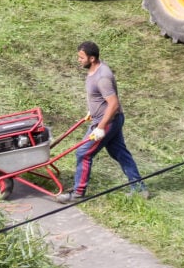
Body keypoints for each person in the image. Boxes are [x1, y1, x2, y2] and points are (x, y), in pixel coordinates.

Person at [56, 41, 149, 202]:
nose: (78, 60)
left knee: (83, 153)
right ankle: (139, 189)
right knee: (120, 153)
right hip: (105, 118)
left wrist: (100, 127)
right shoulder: (94, 70)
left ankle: (78, 193)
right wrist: (92, 111)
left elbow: (113, 104)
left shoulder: (102, 77)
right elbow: (101, 99)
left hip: (107, 122)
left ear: (92, 58)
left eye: (81, 57)